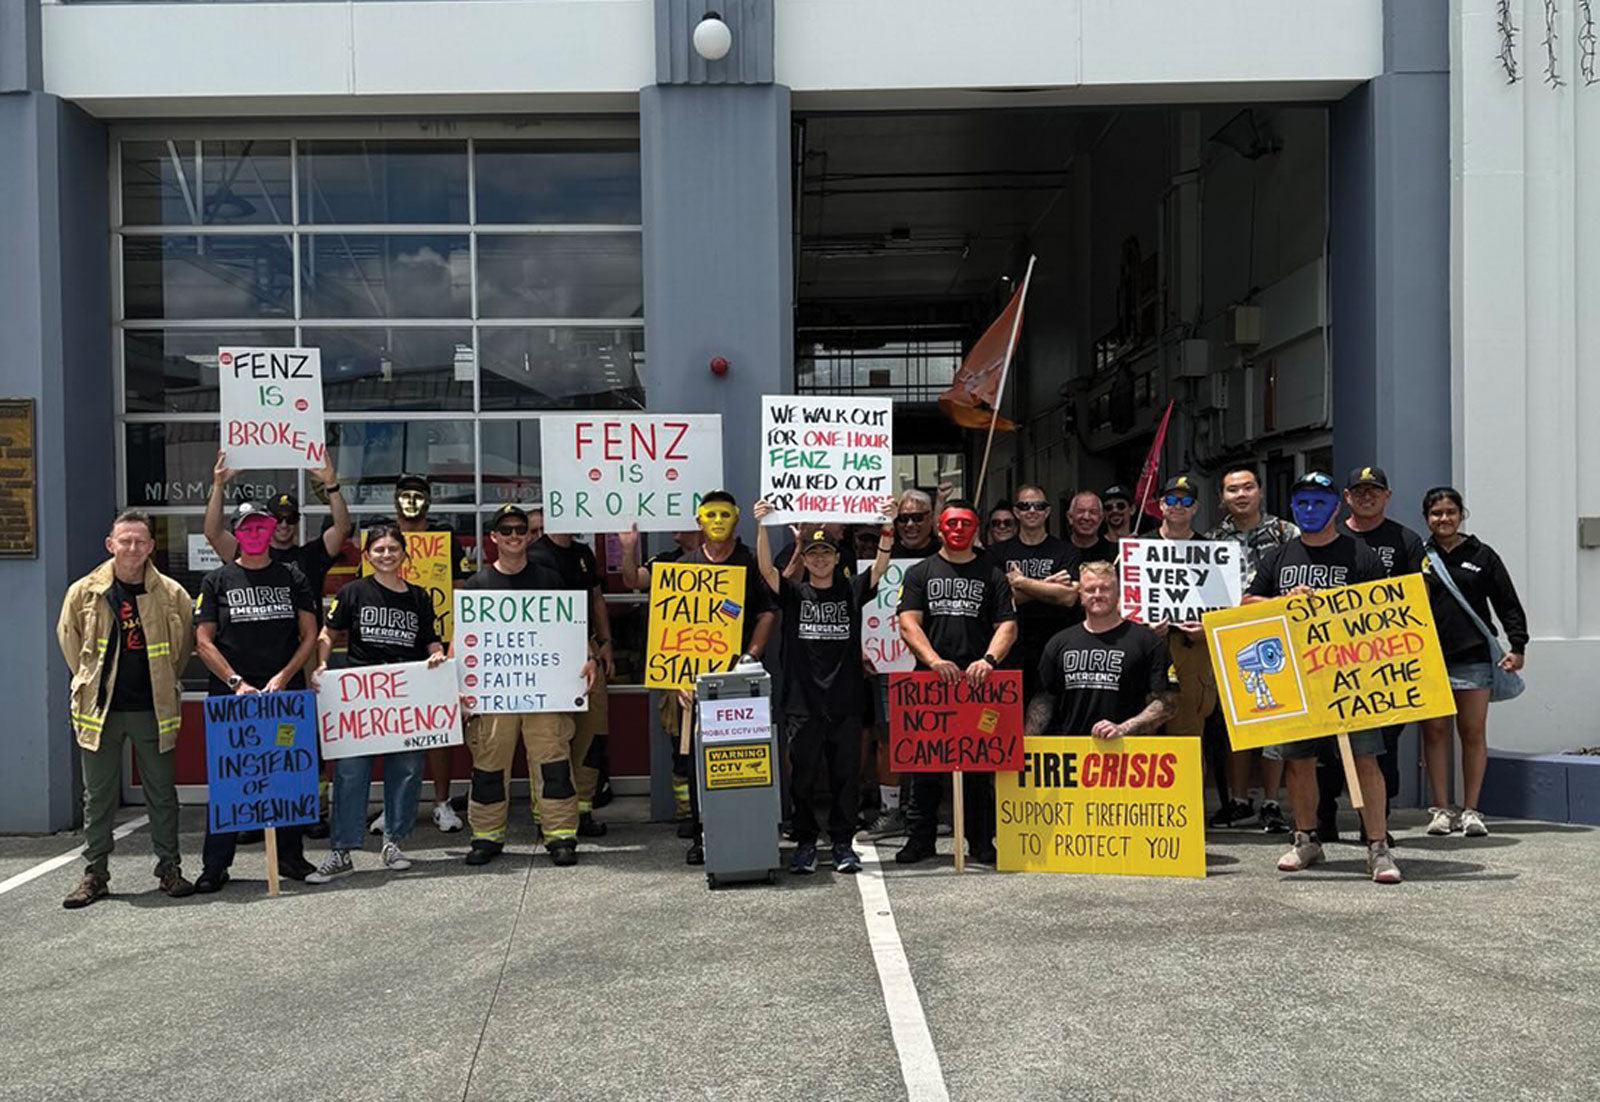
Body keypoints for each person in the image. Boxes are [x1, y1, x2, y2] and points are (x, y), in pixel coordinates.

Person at [1245, 472, 1400, 884]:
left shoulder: (1361, 555)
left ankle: (1377, 847)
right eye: (1303, 504)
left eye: (1319, 502)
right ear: (1294, 509)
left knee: (1366, 760)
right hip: (1294, 679)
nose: (1310, 510)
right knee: (1298, 762)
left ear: (1336, 506)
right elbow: (1246, 602)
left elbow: (1383, 611)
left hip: (1351, 678)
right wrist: (1282, 601)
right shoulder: (1278, 557)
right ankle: (1306, 839)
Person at [619, 491, 777, 865]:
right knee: (695, 762)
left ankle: (747, 830)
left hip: (740, 681)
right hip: (692, 684)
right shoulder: (681, 564)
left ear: (736, 518)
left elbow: (769, 612)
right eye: (711, 514)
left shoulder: (749, 563)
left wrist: (750, 657)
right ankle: (702, 834)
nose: (718, 521)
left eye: (725, 514)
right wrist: (676, 679)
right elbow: (636, 587)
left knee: (741, 757)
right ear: (699, 520)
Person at [56, 510, 196, 908]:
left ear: (151, 546)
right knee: (97, 797)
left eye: (140, 541)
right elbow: (71, 643)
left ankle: (169, 869)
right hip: (100, 711)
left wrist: (163, 683)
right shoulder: (84, 592)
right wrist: (90, 682)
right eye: (125, 540)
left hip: (152, 710)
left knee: (162, 794)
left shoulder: (171, 594)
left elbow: (181, 649)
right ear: (110, 544)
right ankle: (94, 874)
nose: (133, 548)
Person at [754, 497, 897, 874]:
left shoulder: (852, 589)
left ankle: (841, 843)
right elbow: (766, 570)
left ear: (837, 558)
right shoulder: (795, 593)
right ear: (807, 557)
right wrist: (761, 526)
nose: (819, 559)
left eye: (826, 553)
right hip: (803, 704)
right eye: (813, 552)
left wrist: (887, 525)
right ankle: (804, 842)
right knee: (801, 778)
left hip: (846, 702)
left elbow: (881, 566)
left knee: (844, 778)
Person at [305, 526, 448, 882]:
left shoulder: (418, 597)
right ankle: (341, 851)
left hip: (405, 697)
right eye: (379, 549)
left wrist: (438, 656)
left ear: (404, 554)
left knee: (408, 770)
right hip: (361, 695)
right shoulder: (353, 592)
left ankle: (393, 841)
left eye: (393, 548)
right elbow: (328, 632)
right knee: (351, 773)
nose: (387, 554)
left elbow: (431, 640)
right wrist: (322, 662)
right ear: (367, 555)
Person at [192, 501, 322, 892]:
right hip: (235, 702)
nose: (255, 534)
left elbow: (309, 633)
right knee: (231, 780)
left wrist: (285, 676)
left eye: (262, 528)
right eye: (246, 529)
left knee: (287, 774)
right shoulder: (217, 581)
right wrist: (235, 682)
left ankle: (291, 859)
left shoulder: (292, 577)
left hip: (282, 699)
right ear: (237, 533)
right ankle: (215, 865)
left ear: (270, 533)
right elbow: (202, 640)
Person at [458, 504, 594, 868]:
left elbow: (570, 629)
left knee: (553, 764)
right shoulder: (478, 584)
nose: (515, 536)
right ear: (494, 537)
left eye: (521, 529)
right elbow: (464, 639)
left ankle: (561, 835)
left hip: (544, 693)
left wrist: (587, 656)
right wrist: (460, 686)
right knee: (488, 764)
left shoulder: (548, 579)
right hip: (495, 695)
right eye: (507, 530)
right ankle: (486, 837)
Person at [894, 499, 1017, 866]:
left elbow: (1007, 625)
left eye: (966, 523)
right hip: (931, 682)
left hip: (979, 682)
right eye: (951, 523)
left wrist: (989, 660)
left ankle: (981, 842)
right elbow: (908, 623)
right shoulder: (920, 572)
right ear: (940, 527)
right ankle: (920, 840)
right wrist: (932, 661)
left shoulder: (992, 572)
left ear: (975, 528)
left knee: (980, 768)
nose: (958, 529)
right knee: (924, 767)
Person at [1317, 465, 1427, 842]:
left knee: (1382, 746)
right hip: (1327, 662)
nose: (1366, 496)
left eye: (1374, 491)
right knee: (1326, 747)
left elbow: (1420, 597)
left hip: (1382, 663)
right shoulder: (1329, 536)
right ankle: (1323, 818)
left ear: (1387, 496)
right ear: (1346, 498)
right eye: (1358, 491)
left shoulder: (1407, 540)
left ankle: (1374, 825)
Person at [1418, 486, 1528, 838]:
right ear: (1427, 518)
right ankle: (1440, 809)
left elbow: (1506, 602)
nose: (1444, 519)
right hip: (1430, 659)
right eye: (1436, 514)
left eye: (1450, 512)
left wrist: (1518, 644)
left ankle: (1471, 809)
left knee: (1472, 731)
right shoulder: (1419, 557)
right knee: (1434, 732)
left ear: (1461, 514)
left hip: (1473, 658)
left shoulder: (1483, 555)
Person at [369, 473, 474, 838]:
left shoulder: (446, 539)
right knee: (391, 731)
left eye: (418, 495)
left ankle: (442, 803)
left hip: (436, 648)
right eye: (404, 495)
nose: (411, 501)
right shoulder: (381, 539)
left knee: (439, 729)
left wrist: (452, 646)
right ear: (394, 499)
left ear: (429, 500)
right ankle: (395, 804)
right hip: (389, 646)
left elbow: (462, 597)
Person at [1204, 464, 1300, 831]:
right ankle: (1241, 800)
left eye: (1247, 488)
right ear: (1222, 497)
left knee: (1276, 721)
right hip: (1230, 638)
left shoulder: (1286, 532)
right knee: (1236, 724)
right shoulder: (1211, 540)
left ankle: (1273, 801)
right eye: (1232, 490)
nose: (1240, 495)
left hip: (1279, 638)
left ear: (1260, 491)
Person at [528, 506, 614, 839]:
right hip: (551, 655)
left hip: (590, 653)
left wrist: (605, 642)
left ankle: (583, 810)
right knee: (552, 738)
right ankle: (546, 815)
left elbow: (596, 598)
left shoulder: (582, 553)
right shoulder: (536, 556)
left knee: (592, 734)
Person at [865, 488, 944, 840]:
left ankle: (930, 809)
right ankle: (891, 809)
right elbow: (859, 599)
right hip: (888, 658)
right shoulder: (883, 554)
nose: (910, 524)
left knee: (934, 733)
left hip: (938, 663)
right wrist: (861, 648)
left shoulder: (947, 553)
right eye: (903, 518)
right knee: (888, 734)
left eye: (918, 517)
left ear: (931, 519)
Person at [1024, 561, 1172, 739]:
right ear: (1080, 595)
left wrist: (1123, 728)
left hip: (1128, 754)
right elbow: (1043, 701)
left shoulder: (1148, 641)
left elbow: (1168, 703)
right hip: (1072, 755)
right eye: (1090, 589)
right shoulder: (1059, 643)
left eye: (1105, 588)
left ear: (1118, 592)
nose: (1097, 595)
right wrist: (1027, 746)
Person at [988, 485, 1077, 699]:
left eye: (1039, 506)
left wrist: (1020, 582)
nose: (1032, 510)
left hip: (1054, 642)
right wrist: (1048, 584)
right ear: (1016, 512)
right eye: (1024, 506)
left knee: (1047, 701)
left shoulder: (1065, 551)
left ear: (1047, 511)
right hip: (1010, 645)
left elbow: (1068, 597)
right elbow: (999, 602)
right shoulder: (996, 553)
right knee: (1009, 706)